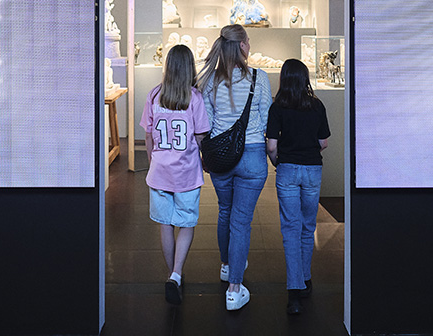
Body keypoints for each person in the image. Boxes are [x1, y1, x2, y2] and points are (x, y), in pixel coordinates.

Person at [196, 24, 272, 311]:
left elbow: (205, 124)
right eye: (248, 41)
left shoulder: (210, 81)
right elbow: (267, 120)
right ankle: (234, 289)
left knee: (225, 211)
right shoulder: (259, 78)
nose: (250, 45)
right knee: (241, 221)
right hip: (252, 156)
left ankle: (227, 266)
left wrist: (205, 155)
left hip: (221, 157)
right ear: (241, 46)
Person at [140, 44, 211, 306]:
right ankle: (177, 274)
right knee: (187, 224)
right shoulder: (195, 98)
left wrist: (153, 161)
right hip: (186, 173)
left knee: (165, 224)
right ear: (190, 67)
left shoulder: (154, 95)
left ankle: (172, 275)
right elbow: (201, 136)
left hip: (160, 171)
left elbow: (148, 135)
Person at [266, 58, 330, 315]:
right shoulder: (317, 105)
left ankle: (294, 292)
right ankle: (305, 279)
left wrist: (278, 162)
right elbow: (323, 142)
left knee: (290, 228)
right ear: (305, 79)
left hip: (287, 170)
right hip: (312, 169)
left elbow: (271, 145)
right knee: (307, 227)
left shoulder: (277, 107)